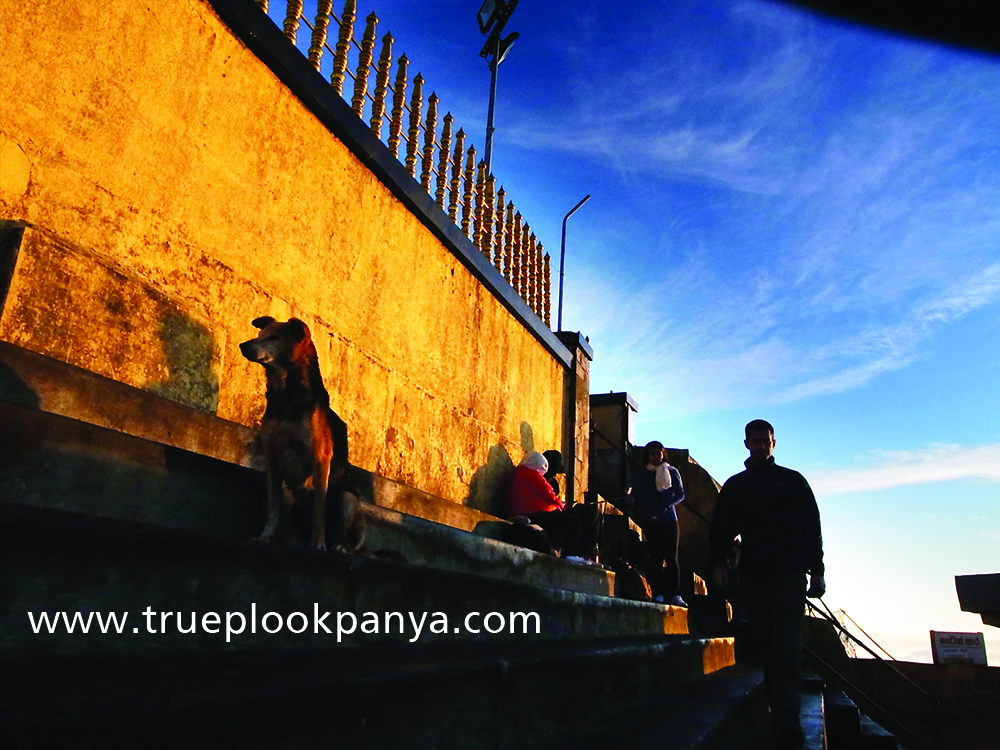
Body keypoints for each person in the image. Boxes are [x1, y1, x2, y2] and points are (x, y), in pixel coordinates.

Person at [710, 419, 825, 750]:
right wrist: (718, 564)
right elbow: (721, 530)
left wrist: (816, 571)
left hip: (789, 574)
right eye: (755, 441)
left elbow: (810, 528)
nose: (761, 445)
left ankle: (786, 720)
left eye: (766, 441)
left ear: (774, 443)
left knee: (787, 644)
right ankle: (777, 709)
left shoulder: (793, 482)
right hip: (754, 575)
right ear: (746, 444)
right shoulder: (736, 487)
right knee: (765, 643)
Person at [629, 440, 686, 607]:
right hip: (651, 520)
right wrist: (649, 511)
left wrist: (666, 504)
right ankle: (658, 593)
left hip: (669, 519)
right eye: (652, 453)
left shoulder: (671, 471)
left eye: (658, 453)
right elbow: (637, 497)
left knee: (671, 558)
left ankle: (675, 594)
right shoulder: (642, 474)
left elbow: (680, 493)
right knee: (656, 557)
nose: (656, 457)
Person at [506, 451, 581, 557]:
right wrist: (562, 506)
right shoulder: (530, 473)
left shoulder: (519, 473)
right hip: (530, 513)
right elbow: (547, 492)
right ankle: (570, 556)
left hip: (521, 511)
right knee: (573, 522)